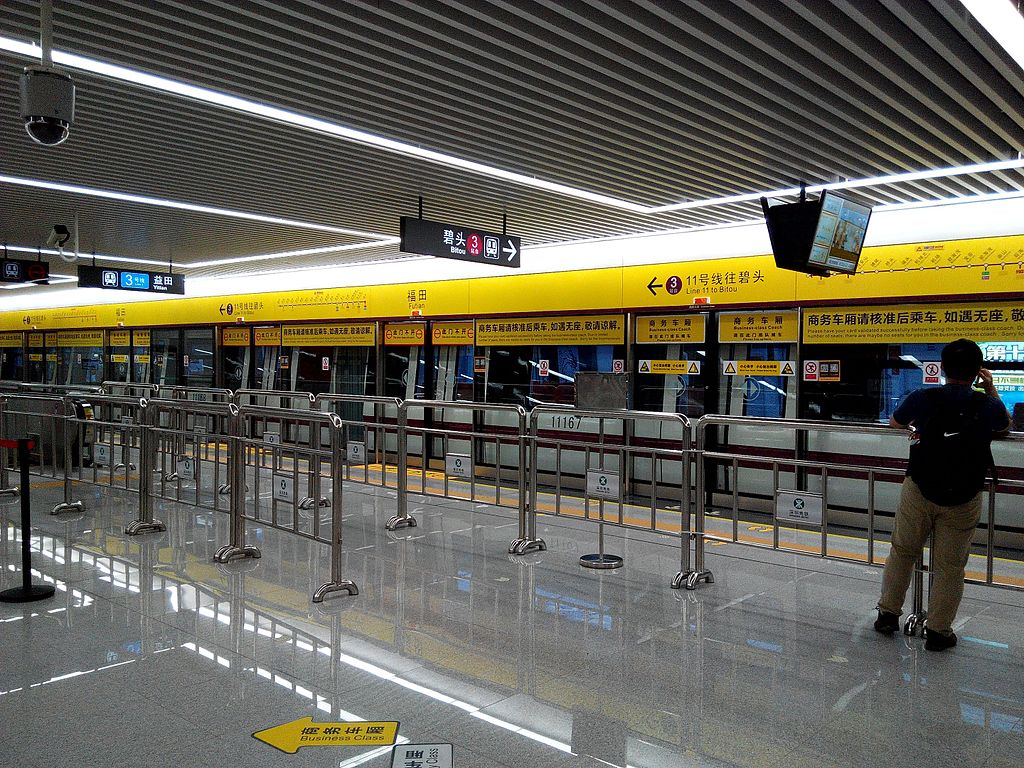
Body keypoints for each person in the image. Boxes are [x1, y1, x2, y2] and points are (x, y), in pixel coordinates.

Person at [875, 338, 1009, 651]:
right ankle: (938, 631)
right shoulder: (987, 404)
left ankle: (888, 615)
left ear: (943, 368)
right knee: (950, 566)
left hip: (920, 488)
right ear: (977, 371)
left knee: (903, 551)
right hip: (964, 495)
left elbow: (895, 422)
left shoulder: (923, 397)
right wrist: (989, 387)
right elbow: (1004, 426)